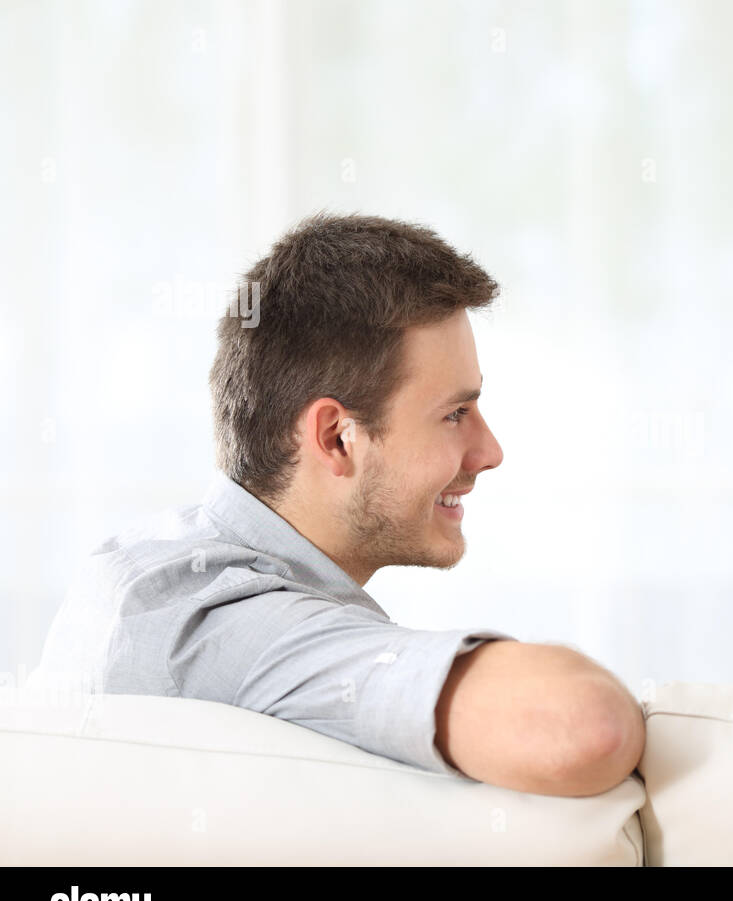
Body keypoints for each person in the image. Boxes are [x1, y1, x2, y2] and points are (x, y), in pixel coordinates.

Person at [27, 213, 645, 796]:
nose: (490, 452)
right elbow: (585, 728)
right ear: (334, 437)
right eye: (455, 413)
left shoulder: (146, 563)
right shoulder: (219, 625)